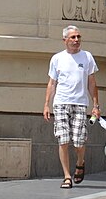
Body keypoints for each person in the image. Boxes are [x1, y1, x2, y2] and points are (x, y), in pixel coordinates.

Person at [43, 25, 101, 188]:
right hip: (61, 103)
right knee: (63, 140)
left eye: (78, 37)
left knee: (79, 141)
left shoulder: (87, 57)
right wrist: (47, 104)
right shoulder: (57, 59)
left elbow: (92, 82)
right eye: (73, 37)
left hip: (80, 103)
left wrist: (96, 105)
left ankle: (80, 162)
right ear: (65, 40)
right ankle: (67, 176)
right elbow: (52, 83)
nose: (76, 40)